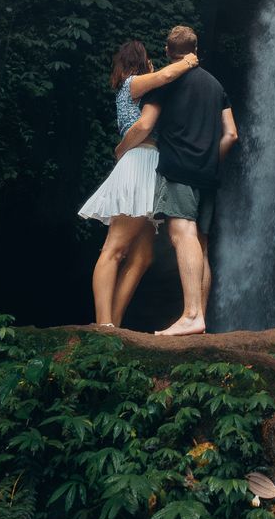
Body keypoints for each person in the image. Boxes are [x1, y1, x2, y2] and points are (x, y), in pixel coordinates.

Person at [112, 25, 236, 336]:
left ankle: (192, 315)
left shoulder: (168, 82)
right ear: (196, 50)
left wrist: (121, 148)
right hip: (209, 173)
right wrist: (211, 159)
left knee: (182, 236)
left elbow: (146, 124)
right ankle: (200, 319)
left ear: (168, 51)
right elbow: (231, 134)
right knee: (201, 245)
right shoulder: (216, 85)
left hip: (180, 168)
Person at [78, 39, 197, 328]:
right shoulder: (132, 83)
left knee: (142, 256)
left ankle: (114, 324)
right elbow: (165, 77)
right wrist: (188, 61)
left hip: (150, 165)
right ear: (141, 62)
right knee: (114, 249)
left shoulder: (139, 91)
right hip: (138, 163)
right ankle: (104, 325)